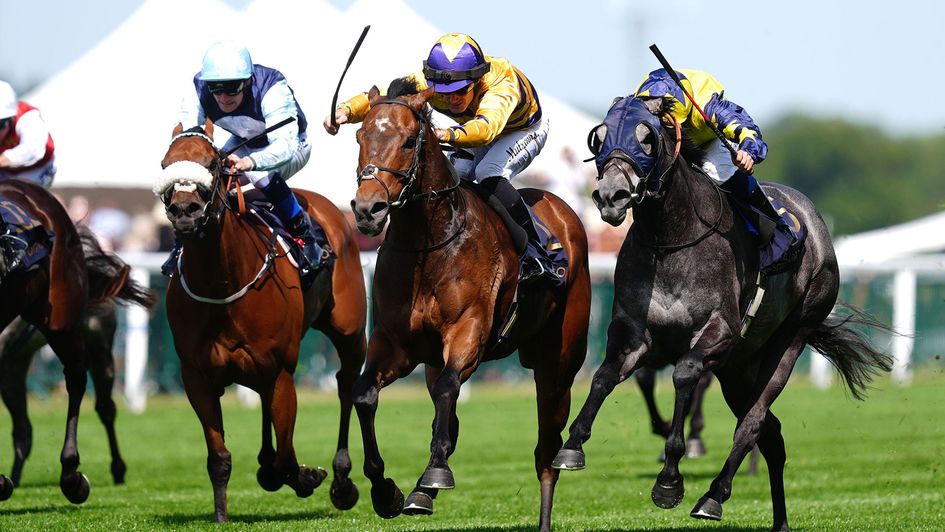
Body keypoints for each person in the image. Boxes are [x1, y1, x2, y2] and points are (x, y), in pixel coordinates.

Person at [324, 33, 554, 283]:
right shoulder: (429, 79)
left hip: (521, 129)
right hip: (472, 128)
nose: (453, 99)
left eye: (460, 91)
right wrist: (345, 111)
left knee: (487, 172)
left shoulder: (502, 85)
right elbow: (387, 97)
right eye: (446, 92)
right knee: (451, 178)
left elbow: (487, 130)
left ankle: (536, 252)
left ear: (477, 79)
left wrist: (445, 133)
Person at [166, 41, 323, 280]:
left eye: (232, 88)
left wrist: (251, 162)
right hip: (242, 140)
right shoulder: (199, 86)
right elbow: (189, 133)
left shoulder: (272, 86)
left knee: (258, 175)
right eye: (216, 89)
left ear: (248, 81)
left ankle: (305, 237)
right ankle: (181, 244)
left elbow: (285, 146)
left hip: (294, 145)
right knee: (203, 174)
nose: (223, 97)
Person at [634, 68, 798, 253]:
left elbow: (746, 129)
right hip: (664, 146)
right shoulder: (639, 105)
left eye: (674, 124)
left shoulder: (709, 107)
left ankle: (777, 228)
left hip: (707, 144)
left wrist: (748, 152)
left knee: (718, 170)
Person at [0, 80, 56, 187]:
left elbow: (31, 150)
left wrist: (3, 159)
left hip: (36, 170)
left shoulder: (28, 118)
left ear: (12, 118)